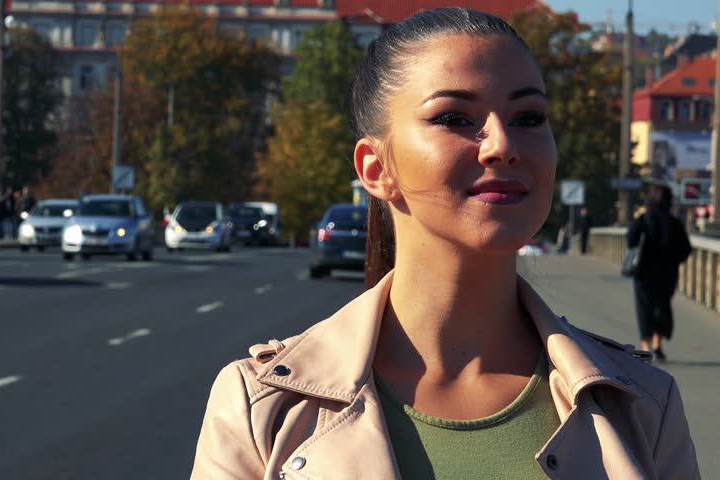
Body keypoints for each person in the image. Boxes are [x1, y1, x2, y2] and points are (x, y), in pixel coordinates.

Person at [192, 8, 699, 479]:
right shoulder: (262, 407)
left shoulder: (642, 406)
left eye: (529, 118)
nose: (503, 144)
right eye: (455, 118)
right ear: (376, 168)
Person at [627, 184, 692, 362]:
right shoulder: (674, 222)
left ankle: (646, 347)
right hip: (667, 273)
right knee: (662, 308)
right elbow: (686, 249)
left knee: (644, 309)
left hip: (644, 273)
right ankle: (657, 344)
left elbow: (631, 239)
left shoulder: (644, 219)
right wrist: (672, 260)